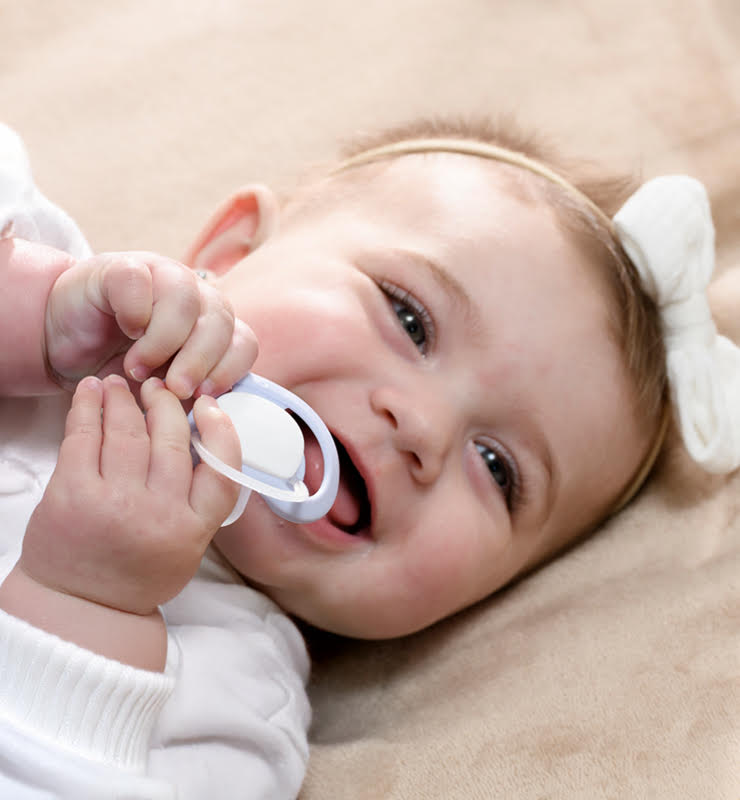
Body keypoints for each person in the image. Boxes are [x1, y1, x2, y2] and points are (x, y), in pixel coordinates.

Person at [0, 117, 737, 798]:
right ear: (230, 256)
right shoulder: (54, 270)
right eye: (410, 318)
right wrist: (27, 313)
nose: (423, 427)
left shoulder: (236, 707)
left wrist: (86, 603)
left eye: (498, 468)